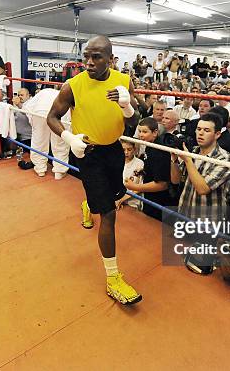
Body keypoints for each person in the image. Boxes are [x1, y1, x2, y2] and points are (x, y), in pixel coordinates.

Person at [47, 35, 142, 305]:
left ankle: (89, 205)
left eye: (97, 56)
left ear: (111, 59)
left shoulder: (124, 81)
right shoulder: (72, 85)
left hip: (114, 149)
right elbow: (52, 117)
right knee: (110, 215)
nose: (89, 62)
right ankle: (113, 278)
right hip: (88, 152)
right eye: (86, 56)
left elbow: (135, 120)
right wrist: (69, 139)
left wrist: (126, 105)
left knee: (109, 200)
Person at [24, 88, 70, 179]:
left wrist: (34, 125)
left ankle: (40, 169)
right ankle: (59, 171)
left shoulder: (43, 92)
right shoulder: (64, 94)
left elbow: (27, 109)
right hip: (60, 112)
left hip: (40, 111)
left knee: (39, 140)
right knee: (60, 142)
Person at [115, 139, 144, 210]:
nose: (126, 152)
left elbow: (140, 188)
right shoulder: (116, 161)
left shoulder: (140, 164)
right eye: (123, 149)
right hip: (117, 198)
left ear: (134, 149)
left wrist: (122, 199)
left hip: (132, 202)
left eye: (129, 149)